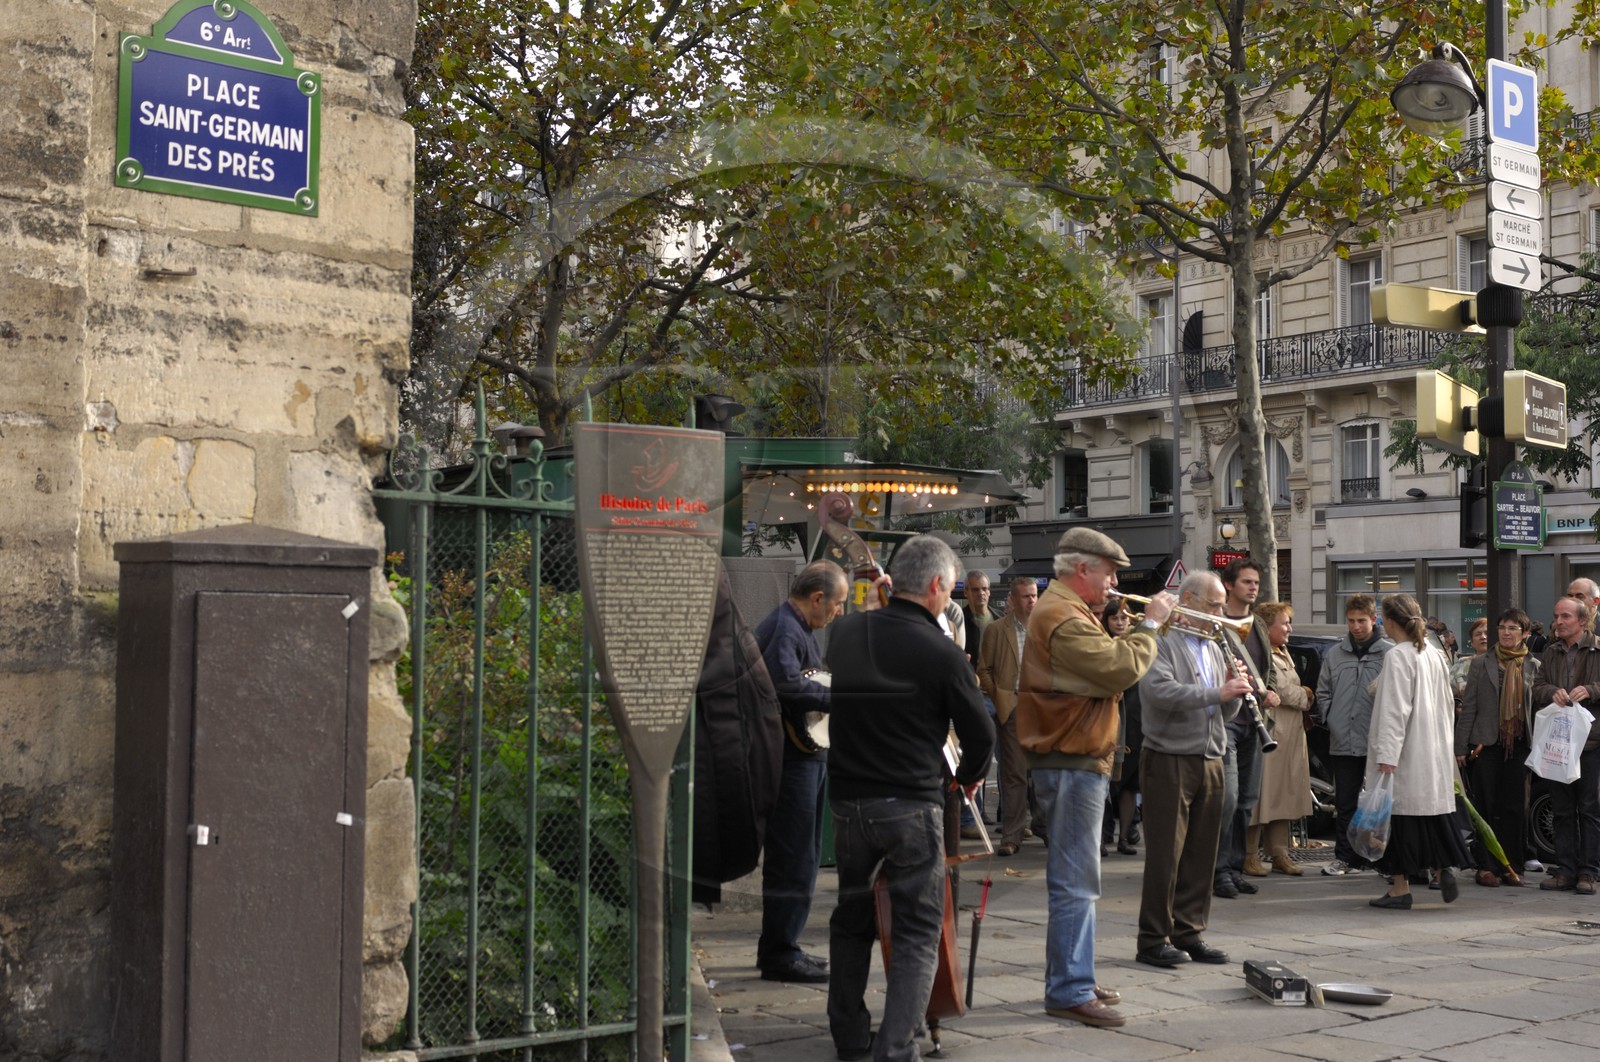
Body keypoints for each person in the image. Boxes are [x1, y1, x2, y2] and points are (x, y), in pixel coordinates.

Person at [825, 536, 995, 1062]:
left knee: (851, 921)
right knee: (919, 930)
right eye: (951, 590)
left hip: (848, 802)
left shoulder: (845, 632)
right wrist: (965, 778)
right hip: (910, 802)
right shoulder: (942, 651)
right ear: (937, 585)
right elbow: (982, 734)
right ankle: (896, 1048)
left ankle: (850, 1037)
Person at [1016, 527, 1174, 1028]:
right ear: (1082, 569)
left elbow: (1101, 670)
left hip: (1075, 756)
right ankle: (1069, 988)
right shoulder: (1062, 615)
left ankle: (1074, 973)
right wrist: (1151, 626)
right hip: (1070, 758)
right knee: (1076, 881)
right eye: (1109, 573)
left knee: (1078, 878)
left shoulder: (1068, 610)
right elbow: (1116, 670)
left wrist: (1137, 633)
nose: (1115, 583)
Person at [1134, 572, 1252, 967]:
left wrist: (1235, 692)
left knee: (1202, 853)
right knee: (1166, 854)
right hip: (1169, 756)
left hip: (1210, 756)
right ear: (1187, 600)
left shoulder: (1214, 646)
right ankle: (1153, 938)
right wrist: (1218, 691)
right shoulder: (1161, 640)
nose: (1221, 614)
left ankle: (1190, 932)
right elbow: (1158, 691)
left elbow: (1224, 710)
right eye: (1214, 606)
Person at [753, 561, 850, 983]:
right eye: (837, 604)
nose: (838, 612)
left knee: (804, 855)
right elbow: (785, 685)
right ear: (817, 598)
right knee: (793, 857)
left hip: (803, 758)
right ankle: (780, 953)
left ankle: (785, 944)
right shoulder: (786, 628)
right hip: (792, 762)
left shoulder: (795, 627)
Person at [1366, 594, 1473, 909]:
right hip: (1432, 748)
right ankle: (1441, 868)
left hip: (1405, 751)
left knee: (1399, 821)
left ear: (1389, 621)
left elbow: (1394, 709)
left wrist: (1387, 755)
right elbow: (1447, 703)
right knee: (1431, 815)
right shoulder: (1433, 654)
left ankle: (1400, 888)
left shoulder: (1397, 656)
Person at [1457, 608, 1540, 888]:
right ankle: (1485, 866)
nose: (1506, 632)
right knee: (1485, 806)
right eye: (1502, 627)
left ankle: (1511, 866)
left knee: (1516, 808)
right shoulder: (1481, 663)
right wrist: (1460, 746)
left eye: (1512, 628)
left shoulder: (1533, 665)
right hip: (1486, 745)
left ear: (1525, 633)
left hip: (1520, 745)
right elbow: (1469, 707)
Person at [1315, 593, 1394, 876]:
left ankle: (1380, 860)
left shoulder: (1389, 653)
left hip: (1376, 741)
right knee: (1345, 801)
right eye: (1351, 621)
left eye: (1361, 620)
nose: (1356, 626)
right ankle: (1346, 858)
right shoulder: (1335, 654)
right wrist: (1330, 718)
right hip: (1343, 739)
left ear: (1373, 619)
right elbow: (1323, 691)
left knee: (1380, 803)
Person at [1531, 595, 1600, 894]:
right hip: (1558, 744)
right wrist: (1552, 692)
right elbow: (1537, 687)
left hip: (1591, 742)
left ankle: (1589, 873)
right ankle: (1565, 871)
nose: (1558, 622)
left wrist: (1592, 690)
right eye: (1556, 616)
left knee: (1589, 810)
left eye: (1565, 616)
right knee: (1561, 809)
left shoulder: (1598, 648)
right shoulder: (1552, 651)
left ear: (1582, 621)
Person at [1214, 558, 1273, 896]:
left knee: (1246, 800)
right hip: (1226, 720)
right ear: (1229, 584)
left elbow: (1265, 667)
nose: (1253, 588)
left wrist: (1269, 691)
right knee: (1229, 797)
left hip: (1255, 720)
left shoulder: (1258, 623)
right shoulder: (1216, 622)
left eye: (1256, 583)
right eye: (1247, 582)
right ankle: (1218, 870)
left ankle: (1235, 868)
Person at [1249, 601, 1314, 876]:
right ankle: (1249, 854)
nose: (1290, 628)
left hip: (1289, 737)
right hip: (1273, 735)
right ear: (1267, 627)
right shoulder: (1262, 653)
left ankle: (1279, 853)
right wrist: (1306, 695)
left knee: (1284, 797)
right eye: (1285, 623)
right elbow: (1286, 692)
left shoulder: (1282, 651)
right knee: (1262, 798)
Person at [978, 576, 1041, 857]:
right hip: (1013, 706)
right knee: (1014, 774)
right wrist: (1000, 698)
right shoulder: (996, 630)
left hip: (1042, 708)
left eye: (1034, 595)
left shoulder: (1047, 628)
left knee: (1042, 772)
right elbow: (984, 670)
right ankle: (1012, 835)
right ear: (1012, 600)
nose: (1031, 601)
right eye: (1026, 596)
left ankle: (1044, 826)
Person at [1103, 600, 1144, 857]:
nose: (1119, 622)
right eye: (1114, 618)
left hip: (1134, 719)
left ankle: (1124, 837)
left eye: (1124, 618)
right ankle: (1100, 837)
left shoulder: (1136, 644)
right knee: (1104, 783)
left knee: (1129, 782)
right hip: (1108, 717)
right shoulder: (1100, 642)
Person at [960, 570, 998, 834]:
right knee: (975, 754)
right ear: (966, 593)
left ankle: (1002, 815)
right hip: (973, 696)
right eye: (975, 589)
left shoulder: (998, 618)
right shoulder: (960, 619)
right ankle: (973, 816)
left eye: (984, 589)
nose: (981, 594)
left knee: (1005, 757)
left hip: (997, 693)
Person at [1451, 618, 1489, 705]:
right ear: (1472, 642)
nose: (1483, 637)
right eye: (1478, 634)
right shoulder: (1461, 664)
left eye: (1487, 633)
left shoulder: (1503, 664)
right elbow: (1446, 692)